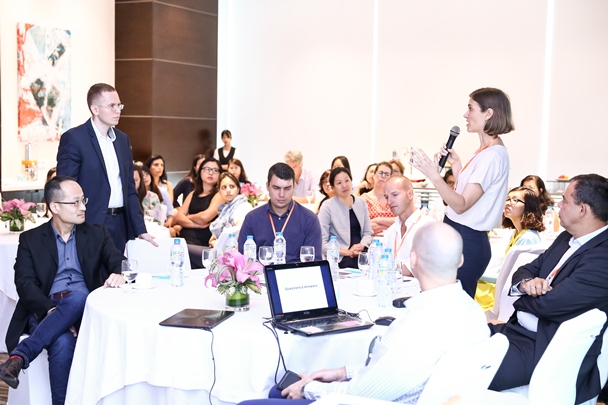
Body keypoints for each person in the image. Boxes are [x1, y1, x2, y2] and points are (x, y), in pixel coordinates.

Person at [237, 222, 490, 404]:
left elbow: (363, 394)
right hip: (410, 392)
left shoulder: (412, 328)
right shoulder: (475, 314)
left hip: (369, 400)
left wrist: (309, 388)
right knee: (279, 391)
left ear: (413, 260)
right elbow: (398, 369)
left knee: (251, 402)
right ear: (460, 260)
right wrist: (343, 372)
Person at [0, 176, 125, 404]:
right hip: (44, 309)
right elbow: (24, 284)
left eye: (83, 200)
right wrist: (51, 311)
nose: (83, 207)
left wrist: (119, 273)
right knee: (63, 341)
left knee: (79, 297)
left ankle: (20, 355)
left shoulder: (97, 234)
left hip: (85, 308)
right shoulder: (31, 239)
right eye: (75, 202)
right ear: (55, 207)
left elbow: (119, 261)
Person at [488, 174, 608, 404]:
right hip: (515, 331)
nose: (558, 205)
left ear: (582, 209)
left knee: (463, 372)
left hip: (544, 347)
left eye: (565, 200)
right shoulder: (566, 238)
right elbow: (525, 269)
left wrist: (521, 297)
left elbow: (550, 304)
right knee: (448, 342)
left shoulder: (603, 257)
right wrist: (526, 284)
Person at [411, 87, 513, 297]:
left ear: (488, 113)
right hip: (462, 235)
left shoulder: (492, 156)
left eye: (470, 108)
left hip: (468, 240)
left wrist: (434, 176)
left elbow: (461, 204)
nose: (465, 115)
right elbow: (465, 195)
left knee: (451, 304)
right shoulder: (485, 151)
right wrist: (456, 165)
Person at [56, 83, 155, 253]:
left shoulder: (122, 140)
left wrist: (140, 228)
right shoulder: (75, 138)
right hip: (89, 222)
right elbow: (65, 187)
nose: (118, 111)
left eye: (119, 105)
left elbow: (129, 188)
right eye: (112, 106)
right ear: (95, 109)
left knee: (118, 269)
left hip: (121, 223)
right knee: (91, 270)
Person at [238, 163, 322, 263]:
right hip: (262, 272)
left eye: (287, 189)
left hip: (297, 272)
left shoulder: (309, 219)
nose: (281, 194)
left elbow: (314, 262)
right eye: (276, 188)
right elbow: (242, 260)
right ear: (267, 186)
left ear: (294, 187)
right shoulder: (252, 218)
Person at [318, 167, 372, 268]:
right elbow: (322, 244)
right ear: (333, 187)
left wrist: (362, 246)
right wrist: (348, 252)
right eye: (339, 183)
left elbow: (368, 232)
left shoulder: (361, 202)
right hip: (341, 257)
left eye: (347, 180)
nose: (344, 185)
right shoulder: (327, 206)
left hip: (362, 253)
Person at [382, 176, 436, 276]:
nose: (389, 202)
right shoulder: (390, 231)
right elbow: (376, 263)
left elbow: (413, 269)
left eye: (395, 195)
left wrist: (385, 268)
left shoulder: (428, 227)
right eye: (386, 197)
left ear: (410, 194)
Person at [174, 158, 224, 258]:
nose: (211, 173)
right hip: (183, 240)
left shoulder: (220, 195)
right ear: (200, 171)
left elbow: (204, 217)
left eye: (215, 170)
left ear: (219, 175)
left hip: (202, 243)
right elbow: (178, 217)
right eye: (207, 169)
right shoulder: (192, 194)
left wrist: (188, 217)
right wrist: (197, 225)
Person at [209, 172, 253, 249]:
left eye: (232, 186)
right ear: (219, 191)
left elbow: (239, 229)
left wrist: (218, 242)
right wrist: (215, 242)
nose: (228, 190)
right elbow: (212, 240)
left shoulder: (243, 206)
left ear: (238, 189)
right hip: (222, 250)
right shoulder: (224, 209)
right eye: (224, 187)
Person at [502, 186, 545, 252]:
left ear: (528, 207)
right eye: (507, 199)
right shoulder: (516, 233)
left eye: (515, 200)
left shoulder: (527, 238)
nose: (508, 203)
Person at [361, 162, 396, 235]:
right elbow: (364, 227)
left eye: (387, 174)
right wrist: (390, 225)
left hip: (393, 239)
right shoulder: (363, 199)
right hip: (370, 240)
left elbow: (402, 220)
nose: (383, 176)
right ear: (374, 176)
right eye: (380, 173)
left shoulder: (395, 198)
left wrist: (378, 220)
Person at [144, 155, 175, 227]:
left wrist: (167, 223)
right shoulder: (141, 189)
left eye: (162, 165)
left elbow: (169, 208)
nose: (160, 167)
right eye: (156, 165)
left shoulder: (164, 188)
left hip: (163, 218)